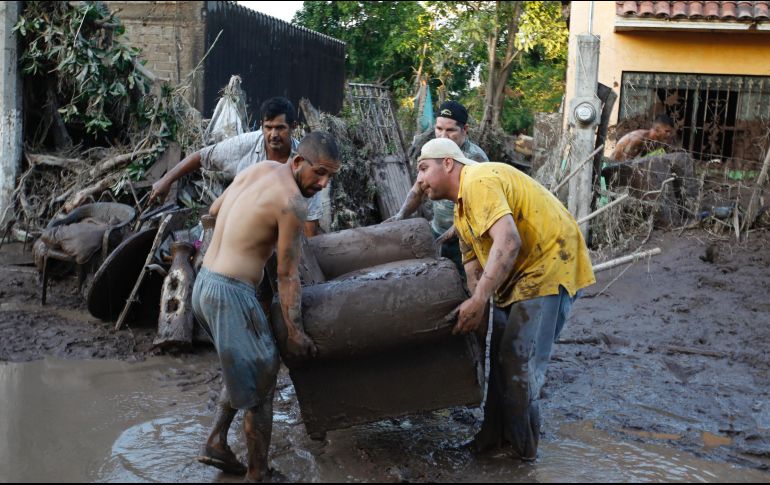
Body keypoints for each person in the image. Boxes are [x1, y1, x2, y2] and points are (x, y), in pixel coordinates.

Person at [414, 138, 595, 461]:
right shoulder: (461, 213)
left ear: (448, 164)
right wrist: (475, 313)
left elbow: (509, 241)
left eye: (424, 168)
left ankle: (523, 451)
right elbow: (473, 272)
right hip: (518, 278)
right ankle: (492, 438)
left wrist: (480, 299)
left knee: (517, 363)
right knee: (499, 356)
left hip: (549, 265)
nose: (420, 180)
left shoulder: (478, 180)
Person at [192, 131, 340, 481]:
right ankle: (258, 473)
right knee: (262, 378)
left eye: (330, 176)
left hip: (204, 284)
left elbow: (212, 212)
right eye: (319, 173)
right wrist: (295, 332)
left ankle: (215, 441)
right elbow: (287, 275)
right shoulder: (291, 202)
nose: (322, 183)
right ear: (299, 161)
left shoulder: (259, 170)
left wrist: (236, 247)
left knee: (246, 365)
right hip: (230, 293)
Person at [150, 96, 324, 237]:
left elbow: (310, 222)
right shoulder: (246, 145)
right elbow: (202, 156)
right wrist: (166, 180)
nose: (273, 135)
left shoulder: (305, 163)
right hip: (235, 225)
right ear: (262, 126)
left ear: (293, 127)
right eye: (268, 128)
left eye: (280, 128)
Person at [387, 101, 488, 270]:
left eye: (450, 130)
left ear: (465, 130)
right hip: (437, 231)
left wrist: (449, 235)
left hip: (465, 240)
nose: (442, 136)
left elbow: (477, 208)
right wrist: (400, 215)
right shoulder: (432, 151)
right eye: (439, 129)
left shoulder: (475, 160)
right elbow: (419, 188)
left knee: (464, 283)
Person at [610, 113, 675, 162]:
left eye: (670, 132)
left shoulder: (654, 142)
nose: (669, 134)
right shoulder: (639, 138)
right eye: (667, 131)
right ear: (657, 129)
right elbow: (624, 160)